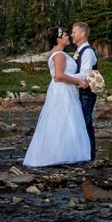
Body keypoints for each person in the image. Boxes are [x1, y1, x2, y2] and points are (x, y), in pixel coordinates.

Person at [23, 27, 92, 167]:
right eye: (66, 35)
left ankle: (60, 153)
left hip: (62, 90)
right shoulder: (59, 55)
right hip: (63, 91)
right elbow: (59, 76)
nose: (68, 37)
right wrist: (79, 81)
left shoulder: (57, 54)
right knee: (65, 120)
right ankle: (64, 154)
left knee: (60, 120)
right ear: (59, 39)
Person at [71, 21, 100, 159]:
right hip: (80, 92)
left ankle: (88, 155)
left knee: (83, 122)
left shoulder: (87, 52)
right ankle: (89, 154)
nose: (72, 34)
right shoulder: (79, 51)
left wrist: (66, 78)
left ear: (82, 34)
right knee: (85, 124)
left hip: (86, 93)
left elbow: (85, 74)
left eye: (74, 32)